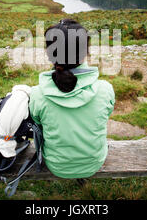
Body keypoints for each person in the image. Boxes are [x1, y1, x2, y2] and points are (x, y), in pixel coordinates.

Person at [29, 19, 115, 179]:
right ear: (85, 53)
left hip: (56, 165)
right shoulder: (105, 89)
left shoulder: (37, 94)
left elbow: (37, 121)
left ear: (49, 54)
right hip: (94, 163)